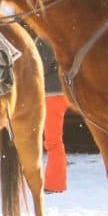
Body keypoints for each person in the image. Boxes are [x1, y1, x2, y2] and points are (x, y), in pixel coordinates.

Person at [36, 39, 67, 193]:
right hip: (60, 92)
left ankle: (55, 184)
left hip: (52, 94)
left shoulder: (45, 38)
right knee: (53, 140)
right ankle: (54, 181)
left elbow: (41, 67)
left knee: (53, 141)